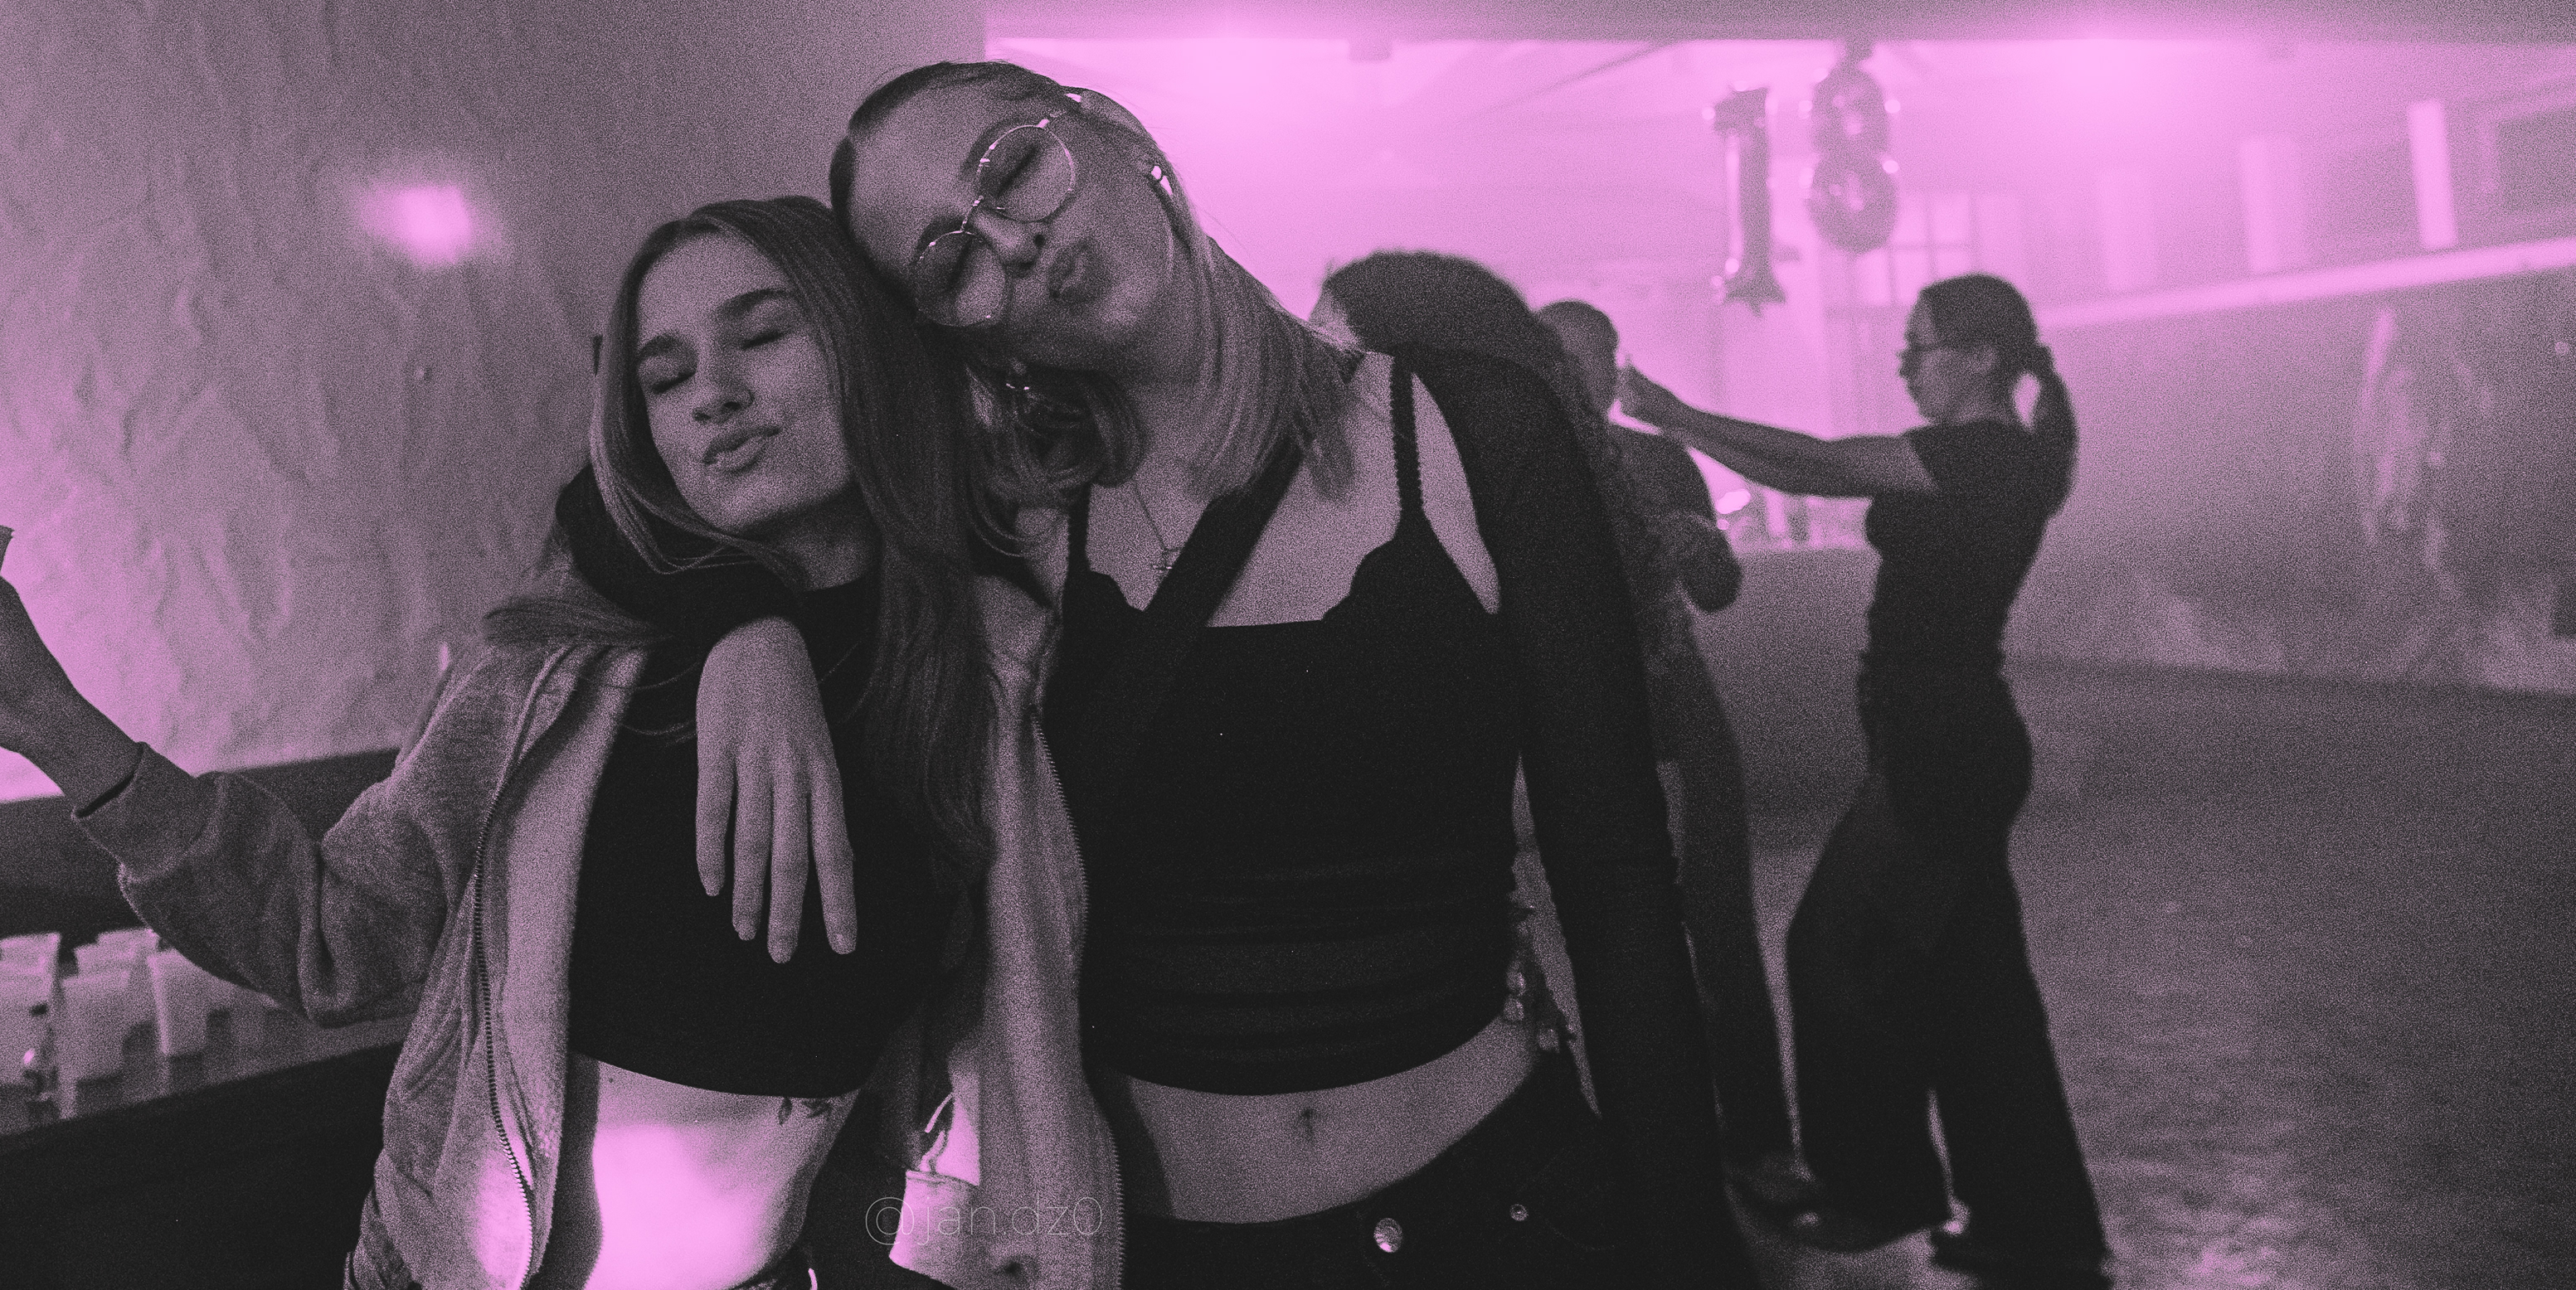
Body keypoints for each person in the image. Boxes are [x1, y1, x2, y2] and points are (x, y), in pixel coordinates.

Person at [580, 66, 1758, 1288]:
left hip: (1501, 1218)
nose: (1012, 242)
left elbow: (1619, 881)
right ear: (952, 329)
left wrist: (1690, 1248)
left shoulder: (1467, 429)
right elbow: (622, 492)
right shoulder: (1009, 515)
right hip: (1170, 1254)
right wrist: (743, 630)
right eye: (950, 259)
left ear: (1116, 132)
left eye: (1011, 167)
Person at [0, 198, 1119, 1290]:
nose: (713, 397)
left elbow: (1005, 1035)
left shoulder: (994, 661)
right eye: (664, 377)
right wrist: (55, 724)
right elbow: (330, 941)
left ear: (867, 349)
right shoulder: (565, 660)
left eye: (764, 336)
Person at [1619, 273, 2110, 1290]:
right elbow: (1812, 467)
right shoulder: (1986, 456)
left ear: (1982, 356)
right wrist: (1683, 423)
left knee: (1834, 949)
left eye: (1920, 346)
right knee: (1977, 992)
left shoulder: (1990, 457)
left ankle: (1879, 1188)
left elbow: (1818, 464)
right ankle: (2035, 1226)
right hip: (1937, 736)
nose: (1905, 363)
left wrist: (1678, 416)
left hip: (1945, 744)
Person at [1310, 255, 1817, 1218]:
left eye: (1594, 362)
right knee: (1594, 969)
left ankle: (1747, 1151)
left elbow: (1710, 593)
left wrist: (1700, 548)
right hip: (1562, 747)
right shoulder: (1454, 458)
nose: (1580, 378)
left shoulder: (1637, 462)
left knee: (1703, 946)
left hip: (1662, 721)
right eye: (1564, 358)